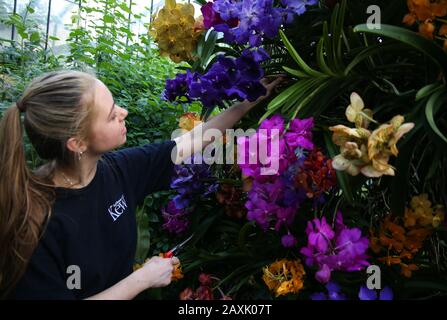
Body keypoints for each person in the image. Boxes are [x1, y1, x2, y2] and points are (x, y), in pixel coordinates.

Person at [0, 70, 282, 299]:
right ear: (77, 143)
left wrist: (248, 100)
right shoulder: (35, 220)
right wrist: (142, 279)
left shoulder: (117, 170)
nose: (122, 112)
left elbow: (191, 142)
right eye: (111, 115)